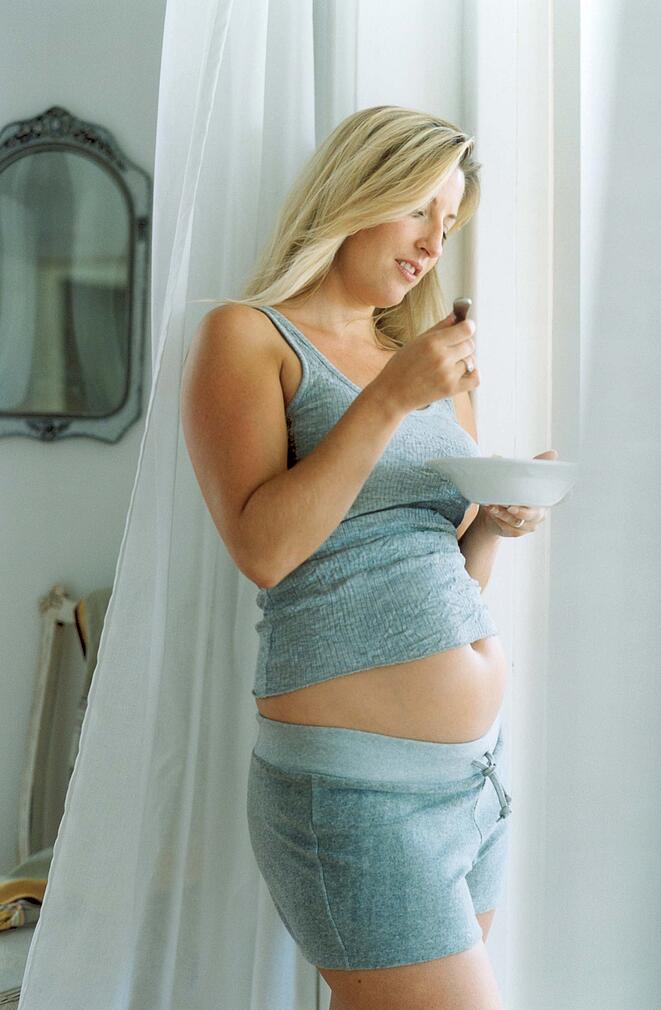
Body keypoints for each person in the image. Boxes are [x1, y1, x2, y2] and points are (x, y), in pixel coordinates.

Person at [180, 105, 554, 1010]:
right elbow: (263, 549)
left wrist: (494, 527)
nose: (435, 244)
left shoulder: (414, 363)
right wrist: (390, 397)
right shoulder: (251, 336)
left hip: (476, 784)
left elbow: (437, 573)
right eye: (421, 210)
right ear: (361, 190)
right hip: (354, 796)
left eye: (451, 223)